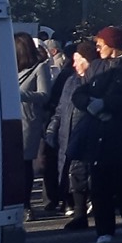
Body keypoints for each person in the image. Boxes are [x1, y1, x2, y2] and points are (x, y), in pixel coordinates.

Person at [74, 26, 122, 243]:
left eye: (100, 44)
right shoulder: (97, 66)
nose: (97, 48)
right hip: (98, 134)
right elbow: (80, 92)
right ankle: (104, 230)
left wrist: (107, 105)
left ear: (112, 45)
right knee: (100, 186)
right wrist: (88, 104)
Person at [45, 41, 98, 230]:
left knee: (83, 174)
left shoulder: (96, 81)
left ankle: (83, 214)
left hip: (86, 135)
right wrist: (52, 128)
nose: (74, 64)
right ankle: (77, 212)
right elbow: (61, 108)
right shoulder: (70, 80)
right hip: (66, 135)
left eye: (78, 60)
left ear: (88, 61)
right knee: (71, 174)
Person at [14, 33, 58, 214]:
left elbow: (44, 95)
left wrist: (20, 95)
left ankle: (25, 204)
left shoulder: (40, 68)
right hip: (11, 119)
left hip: (27, 120)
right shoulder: (11, 68)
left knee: (24, 164)